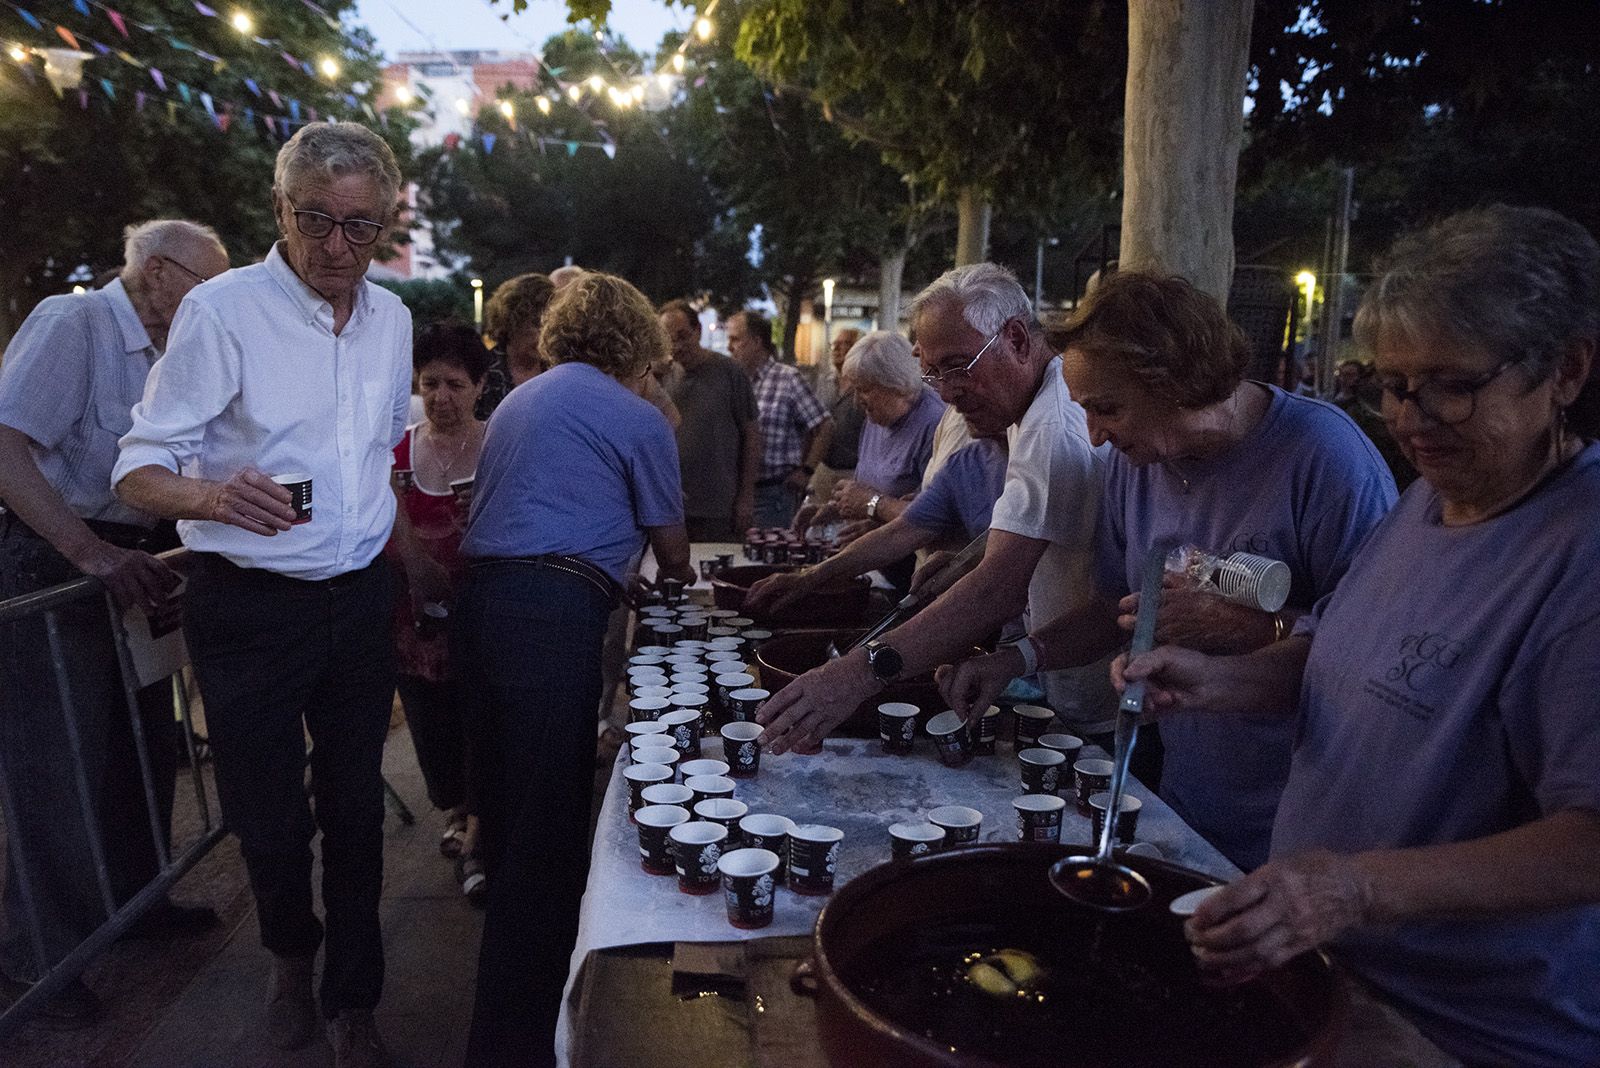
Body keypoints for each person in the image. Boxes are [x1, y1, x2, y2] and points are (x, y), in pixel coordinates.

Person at [1118, 205, 1600, 1068]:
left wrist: (1350, 888)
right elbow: (1344, 657)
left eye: (1452, 383)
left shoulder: (1581, 554)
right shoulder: (1427, 500)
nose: (1413, 418)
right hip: (1334, 979)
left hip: (1464, 1031)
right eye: (1391, 383)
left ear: (1565, 371)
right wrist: (1215, 680)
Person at [113, 122, 431, 1068]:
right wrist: (210, 495)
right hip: (245, 605)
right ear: (281, 212)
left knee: (357, 811)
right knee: (267, 813)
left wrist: (408, 563)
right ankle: (292, 954)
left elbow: (379, 460)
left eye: (361, 228)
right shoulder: (222, 310)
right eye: (317, 222)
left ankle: (354, 1002)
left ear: (385, 226)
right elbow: (138, 464)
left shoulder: (394, 319)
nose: (337, 249)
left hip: (355, 600)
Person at [937, 272, 1396, 869]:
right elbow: (1119, 607)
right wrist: (1015, 659)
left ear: (1177, 381)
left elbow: (1380, 653)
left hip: (1302, 822)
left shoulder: (1325, 459)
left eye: (1107, 409)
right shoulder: (1139, 464)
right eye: (1084, 412)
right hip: (1186, 799)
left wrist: (1262, 630)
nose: (1096, 436)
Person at [456, 272, 693, 1066]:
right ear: (639, 347)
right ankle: (520, 1043)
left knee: (507, 815)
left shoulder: (521, 398)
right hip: (548, 620)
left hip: (483, 607)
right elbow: (674, 552)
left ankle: (508, 1013)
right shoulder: (638, 414)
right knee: (545, 837)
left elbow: (537, 510)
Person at [0, 218, 229, 1026]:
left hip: (130, 563)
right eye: (208, 281)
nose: (218, 299)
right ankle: (40, 961)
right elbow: (5, 446)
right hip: (49, 561)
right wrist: (86, 550)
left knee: (141, 747)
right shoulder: (75, 323)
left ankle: (140, 901)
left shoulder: (172, 350)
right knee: (56, 765)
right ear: (161, 274)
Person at [759, 263, 1109, 754]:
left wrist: (857, 675)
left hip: (1100, 697)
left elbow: (997, 592)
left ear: (1017, 339)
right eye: (934, 371)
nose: (945, 392)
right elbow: (1025, 533)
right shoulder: (1025, 407)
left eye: (957, 366)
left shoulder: (1052, 426)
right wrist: (968, 560)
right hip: (1063, 675)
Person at [385, 322, 488, 903]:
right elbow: (384, 521)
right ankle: (455, 809)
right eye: (430, 384)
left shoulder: (499, 443)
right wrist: (416, 560)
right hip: (415, 623)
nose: (442, 397)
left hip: (484, 619)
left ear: (479, 387)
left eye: (454, 384)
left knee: (483, 721)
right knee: (431, 725)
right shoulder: (398, 449)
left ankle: (478, 831)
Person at [746, 432, 1008, 617]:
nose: (949, 395)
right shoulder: (967, 461)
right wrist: (808, 578)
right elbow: (898, 532)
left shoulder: (1041, 448)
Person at [815, 331, 946, 531]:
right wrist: (835, 509)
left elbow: (932, 518)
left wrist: (871, 503)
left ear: (897, 385)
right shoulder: (877, 418)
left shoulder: (934, 422)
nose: (857, 401)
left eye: (865, 390)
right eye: (855, 390)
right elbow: (867, 490)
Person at [659, 299, 760, 541]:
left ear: (698, 331)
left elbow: (752, 436)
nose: (677, 345)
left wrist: (746, 498)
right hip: (673, 504)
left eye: (683, 335)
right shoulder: (662, 377)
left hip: (718, 507)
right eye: (668, 338)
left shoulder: (729, 372)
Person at [727, 311, 831, 528]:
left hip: (773, 494)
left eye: (735, 339)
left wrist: (806, 471)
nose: (730, 347)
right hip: (736, 492)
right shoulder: (735, 382)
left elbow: (824, 426)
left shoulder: (787, 379)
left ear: (757, 341)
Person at [477, 273, 555, 419]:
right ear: (510, 323)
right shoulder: (482, 371)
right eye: (536, 324)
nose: (544, 335)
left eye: (550, 325)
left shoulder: (556, 371)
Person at [809, 327, 865, 503]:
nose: (837, 349)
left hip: (853, 472)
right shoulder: (825, 382)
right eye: (835, 344)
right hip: (823, 469)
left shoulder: (865, 385)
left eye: (846, 344)